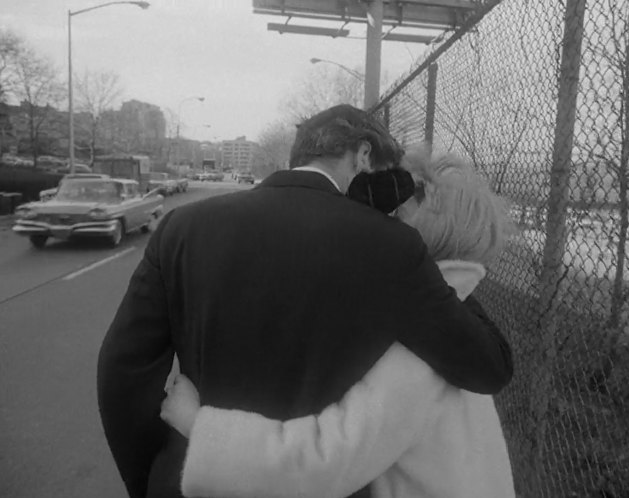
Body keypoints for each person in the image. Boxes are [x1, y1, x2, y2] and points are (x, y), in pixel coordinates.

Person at [97, 105, 513, 498]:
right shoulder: (391, 247)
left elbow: (123, 370)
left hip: (190, 475)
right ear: (364, 154)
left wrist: (154, 473)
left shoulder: (181, 226)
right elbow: (485, 364)